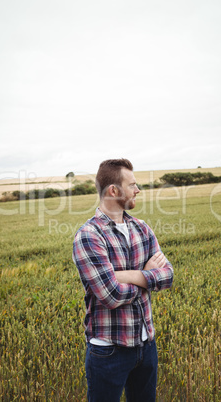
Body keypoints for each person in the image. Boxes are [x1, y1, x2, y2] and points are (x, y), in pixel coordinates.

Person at [72, 158, 174, 402]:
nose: (138, 190)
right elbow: (110, 295)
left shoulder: (142, 228)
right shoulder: (88, 236)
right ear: (114, 191)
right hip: (109, 351)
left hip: (146, 345)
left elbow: (168, 276)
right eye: (133, 185)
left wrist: (124, 276)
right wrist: (147, 278)